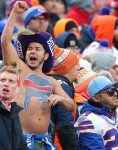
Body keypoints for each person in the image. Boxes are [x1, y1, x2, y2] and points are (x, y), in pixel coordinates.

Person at [1, 1, 74, 149]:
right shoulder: (19, 70)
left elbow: (71, 106)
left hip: (44, 142)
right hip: (21, 142)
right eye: (29, 49)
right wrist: (15, 13)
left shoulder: (52, 82)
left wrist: (60, 98)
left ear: (46, 56)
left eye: (37, 49)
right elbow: (5, 41)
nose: (32, 51)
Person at [0, 65, 27, 149]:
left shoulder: (15, 111)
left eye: (11, 81)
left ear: (17, 87)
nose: (6, 84)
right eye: (2, 80)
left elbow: (21, 145)